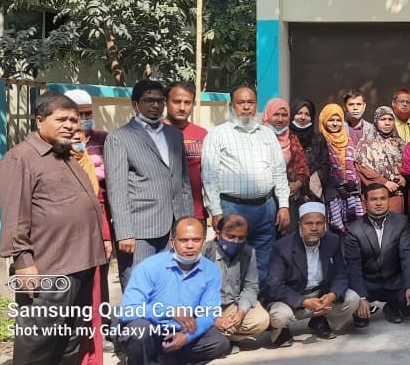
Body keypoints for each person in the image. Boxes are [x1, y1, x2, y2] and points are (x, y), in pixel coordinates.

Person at [0, 92, 105, 365]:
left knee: (69, 344)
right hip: (48, 271)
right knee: (37, 346)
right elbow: (14, 217)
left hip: (81, 265)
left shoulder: (65, 154)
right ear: (39, 120)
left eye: (74, 119)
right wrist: (23, 262)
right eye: (62, 119)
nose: (70, 125)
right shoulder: (20, 159)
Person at [202, 85, 291, 290]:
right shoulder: (218, 134)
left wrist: (284, 205)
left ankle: (258, 303)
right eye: (241, 102)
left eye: (250, 102)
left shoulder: (267, 134)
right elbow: (209, 176)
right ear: (231, 106)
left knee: (264, 258)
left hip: (265, 208)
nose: (246, 107)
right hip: (232, 207)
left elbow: (279, 172)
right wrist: (215, 211)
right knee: (231, 258)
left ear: (256, 105)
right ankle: (230, 302)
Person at [105, 80, 194, 287]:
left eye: (160, 101)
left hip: (173, 226)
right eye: (148, 100)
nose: (155, 105)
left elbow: (184, 183)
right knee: (139, 286)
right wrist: (124, 233)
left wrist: (187, 223)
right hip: (140, 230)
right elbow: (117, 190)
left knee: (170, 285)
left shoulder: (174, 135)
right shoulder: (119, 138)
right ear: (135, 104)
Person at [117, 217, 228, 365]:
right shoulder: (150, 267)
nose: (190, 245)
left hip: (182, 330)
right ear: (172, 242)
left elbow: (209, 313)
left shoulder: (210, 270)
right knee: (138, 331)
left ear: (203, 241)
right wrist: (167, 312)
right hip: (153, 329)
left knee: (219, 343)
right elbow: (127, 311)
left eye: (196, 240)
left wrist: (186, 337)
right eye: (183, 240)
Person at [266, 202, 356, 347]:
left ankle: (320, 321)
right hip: (293, 298)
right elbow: (275, 286)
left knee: (353, 298)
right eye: (308, 223)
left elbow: (341, 274)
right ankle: (282, 331)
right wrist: (303, 302)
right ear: (299, 225)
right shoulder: (282, 247)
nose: (314, 228)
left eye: (319, 223)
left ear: (325, 225)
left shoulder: (332, 240)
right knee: (280, 316)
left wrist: (332, 295)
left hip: (321, 296)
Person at [345, 183, 410, 325]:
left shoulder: (401, 222)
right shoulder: (354, 229)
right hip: (367, 283)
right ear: (365, 201)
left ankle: (392, 307)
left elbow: (406, 256)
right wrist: (361, 297)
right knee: (354, 302)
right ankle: (362, 310)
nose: (379, 203)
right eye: (373, 199)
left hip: (394, 281)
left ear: (388, 200)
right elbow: (354, 267)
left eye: (383, 198)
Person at [70, 122, 111, 365]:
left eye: (80, 135)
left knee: (91, 304)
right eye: (71, 135)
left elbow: (98, 205)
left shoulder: (86, 162)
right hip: (63, 245)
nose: (77, 140)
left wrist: (105, 237)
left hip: (91, 241)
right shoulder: (54, 163)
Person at [204, 215, 270, 354]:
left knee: (261, 320)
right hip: (205, 309)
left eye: (241, 238)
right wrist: (214, 320)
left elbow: (251, 287)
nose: (236, 242)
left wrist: (240, 314)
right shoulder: (204, 253)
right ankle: (216, 336)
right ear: (218, 234)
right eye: (231, 237)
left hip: (230, 306)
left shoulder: (248, 253)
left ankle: (225, 337)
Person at [263, 98, 312, 234]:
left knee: (288, 240)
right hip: (266, 200)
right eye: (276, 114)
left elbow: (303, 166)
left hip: (290, 199)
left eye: (284, 115)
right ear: (268, 114)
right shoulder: (259, 137)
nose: (280, 119)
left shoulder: (292, 138)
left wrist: (298, 184)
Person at [164, 82, 210, 222]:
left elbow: (209, 175)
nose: (182, 108)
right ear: (166, 102)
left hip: (195, 213)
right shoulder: (154, 133)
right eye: (176, 102)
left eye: (187, 102)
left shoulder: (202, 134)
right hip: (163, 215)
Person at [317, 103, 364, 234]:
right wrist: (338, 184)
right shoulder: (319, 141)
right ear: (324, 121)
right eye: (331, 120)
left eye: (338, 120)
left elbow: (356, 167)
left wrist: (352, 184)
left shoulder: (349, 142)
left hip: (350, 194)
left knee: (352, 234)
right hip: (330, 195)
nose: (335, 123)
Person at [355, 106, 407, 214]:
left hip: (395, 196)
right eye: (383, 119)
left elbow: (408, 165)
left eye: (390, 119)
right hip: (375, 195)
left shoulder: (400, 143)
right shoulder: (366, 143)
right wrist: (384, 182)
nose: (387, 123)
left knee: (395, 223)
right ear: (376, 121)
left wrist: (404, 178)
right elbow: (362, 168)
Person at [288, 97, 330, 203]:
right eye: (299, 113)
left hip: (312, 196)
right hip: (287, 193)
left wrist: (305, 185)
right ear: (292, 114)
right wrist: (292, 185)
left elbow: (325, 165)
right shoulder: (285, 137)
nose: (303, 117)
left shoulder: (318, 138)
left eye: (307, 114)